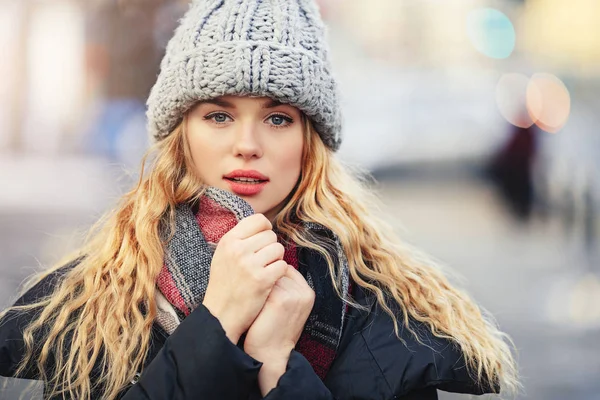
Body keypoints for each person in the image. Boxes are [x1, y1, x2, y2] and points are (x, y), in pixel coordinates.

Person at [0, 1, 519, 399]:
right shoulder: (101, 304)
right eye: (219, 116)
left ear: (308, 143)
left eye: (277, 118)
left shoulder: (386, 311)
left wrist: (277, 364)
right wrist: (218, 323)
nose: (247, 144)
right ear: (181, 135)